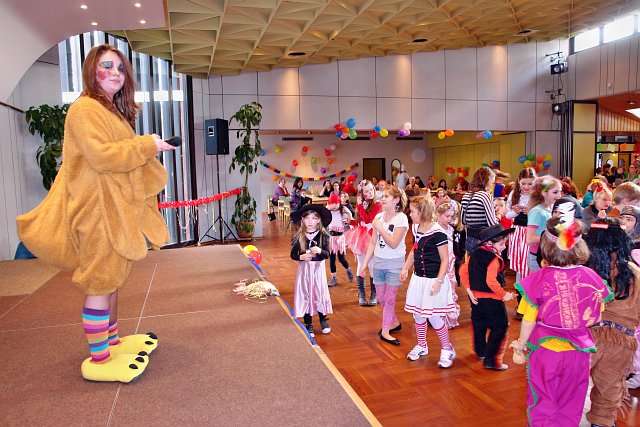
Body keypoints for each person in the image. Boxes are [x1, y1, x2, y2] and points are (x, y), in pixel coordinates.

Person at [16, 44, 177, 383]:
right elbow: (103, 156)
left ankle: (113, 343)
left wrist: (148, 147)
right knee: (100, 281)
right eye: (107, 66)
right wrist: (147, 145)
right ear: (92, 70)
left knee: (112, 279)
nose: (115, 73)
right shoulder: (85, 108)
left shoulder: (110, 111)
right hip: (96, 210)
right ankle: (100, 359)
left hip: (113, 208)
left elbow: (119, 156)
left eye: (120, 68)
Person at [510, 216, 611, 427]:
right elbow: (597, 316)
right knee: (572, 397)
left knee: (542, 395)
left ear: (546, 248)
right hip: (579, 352)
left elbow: (528, 319)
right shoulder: (591, 276)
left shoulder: (538, 279)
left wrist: (520, 344)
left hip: (546, 351)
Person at [585, 218, 640, 427]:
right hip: (620, 340)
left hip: (584, 338)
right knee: (610, 385)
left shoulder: (583, 271)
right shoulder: (633, 272)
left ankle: (560, 417)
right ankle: (601, 421)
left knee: (569, 383)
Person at [401, 196, 456, 367]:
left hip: (434, 280)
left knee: (433, 316)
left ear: (423, 212)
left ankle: (447, 348)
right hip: (419, 279)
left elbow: (445, 260)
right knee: (418, 314)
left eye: (413, 212)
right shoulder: (416, 227)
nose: (410, 214)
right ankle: (422, 345)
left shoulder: (438, 232)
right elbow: (414, 249)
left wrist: (438, 281)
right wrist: (405, 268)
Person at [461, 224, 515, 370]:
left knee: (479, 325)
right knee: (500, 327)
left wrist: (469, 291)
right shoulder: (493, 259)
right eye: (501, 244)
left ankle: (481, 352)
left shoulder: (474, 254)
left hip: (476, 299)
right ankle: (492, 361)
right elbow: (491, 281)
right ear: (490, 243)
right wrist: (504, 295)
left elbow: (462, 272)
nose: (504, 247)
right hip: (493, 301)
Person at [360, 185, 408, 345]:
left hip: (394, 263)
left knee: (389, 299)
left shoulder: (401, 218)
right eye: (383, 196)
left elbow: (394, 243)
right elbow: (373, 242)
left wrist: (380, 227)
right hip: (379, 262)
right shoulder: (379, 217)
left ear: (396, 200)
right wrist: (365, 264)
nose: (383, 199)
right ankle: (394, 323)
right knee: (381, 298)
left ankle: (386, 331)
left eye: (387, 196)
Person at [290, 204, 333, 337]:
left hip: (318, 271)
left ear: (319, 220)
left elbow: (327, 255)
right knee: (306, 294)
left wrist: (320, 250)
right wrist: (301, 257)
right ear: (303, 220)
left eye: (314, 218)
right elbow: (293, 255)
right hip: (304, 272)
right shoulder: (299, 236)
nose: (310, 222)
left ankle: (323, 320)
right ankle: (308, 323)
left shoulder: (323, 235)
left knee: (319, 293)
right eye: (307, 218)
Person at [346, 180, 383, 306]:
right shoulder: (362, 205)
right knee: (361, 264)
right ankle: (361, 294)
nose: (370, 192)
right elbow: (360, 221)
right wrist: (350, 221)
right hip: (361, 236)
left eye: (371, 189)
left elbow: (368, 219)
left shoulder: (378, 204)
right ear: (361, 194)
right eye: (366, 191)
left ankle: (374, 294)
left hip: (372, 236)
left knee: (372, 265)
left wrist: (359, 205)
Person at [506, 167, 536, 302]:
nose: (526, 187)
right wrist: (515, 212)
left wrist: (531, 211)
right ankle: (521, 301)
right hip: (518, 232)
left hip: (532, 232)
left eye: (530, 183)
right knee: (520, 266)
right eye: (523, 183)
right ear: (518, 181)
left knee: (531, 265)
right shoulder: (514, 194)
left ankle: (531, 300)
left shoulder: (538, 195)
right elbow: (508, 215)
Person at [525, 176, 562, 273]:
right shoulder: (537, 211)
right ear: (544, 193)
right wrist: (552, 238)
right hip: (538, 256)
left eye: (560, 191)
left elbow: (556, 231)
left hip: (549, 255)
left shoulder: (552, 209)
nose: (559, 195)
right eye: (555, 192)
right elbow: (529, 239)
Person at [461, 166, 499, 256]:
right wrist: (499, 214)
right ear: (487, 180)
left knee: (473, 264)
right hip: (483, 240)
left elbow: (463, 220)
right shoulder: (485, 196)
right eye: (491, 182)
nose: (492, 185)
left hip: (470, 239)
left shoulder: (466, 196)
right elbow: (492, 223)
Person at [435, 200, 461, 328]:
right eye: (447, 216)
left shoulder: (451, 230)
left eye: (451, 216)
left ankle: (448, 318)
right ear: (438, 215)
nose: (450, 219)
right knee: (438, 292)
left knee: (449, 291)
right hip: (439, 267)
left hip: (450, 267)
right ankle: (437, 318)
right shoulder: (435, 230)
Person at [326, 194, 354, 287]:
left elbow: (350, 220)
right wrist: (326, 208)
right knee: (332, 259)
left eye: (336, 203)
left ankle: (348, 269)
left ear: (339, 203)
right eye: (332, 203)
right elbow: (321, 216)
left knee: (341, 258)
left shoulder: (342, 211)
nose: (334, 206)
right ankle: (333, 277)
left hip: (340, 238)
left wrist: (348, 213)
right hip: (331, 238)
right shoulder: (328, 212)